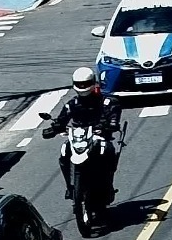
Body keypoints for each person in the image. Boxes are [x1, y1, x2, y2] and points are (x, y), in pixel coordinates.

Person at [50, 67, 122, 203]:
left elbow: (114, 115)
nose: (83, 87)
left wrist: (110, 125)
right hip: (78, 138)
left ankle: (106, 184)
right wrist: (53, 128)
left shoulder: (106, 102)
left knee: (108, 150)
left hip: (98, 137)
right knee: (64, 152)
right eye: (79, 84)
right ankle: (70, 187)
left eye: (86, 84)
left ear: (93, 83)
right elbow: (61, 120)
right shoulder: (72, 104)